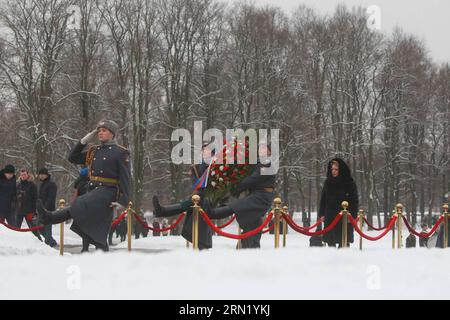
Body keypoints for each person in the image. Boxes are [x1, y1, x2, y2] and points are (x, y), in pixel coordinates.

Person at [37, 120, 131, 253]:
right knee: (99, 232)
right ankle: (104, 257)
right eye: (99, 130)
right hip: (93, 190)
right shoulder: (94, 151)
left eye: (104, 130)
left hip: (108, 191)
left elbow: (125, 178)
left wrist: (123, 200)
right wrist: (84, 141)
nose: (100, 133)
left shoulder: (121, 152)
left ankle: (50, 218)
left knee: (80, 203)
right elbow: (73, 157)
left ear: (112, 134)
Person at [202, 142, 277, 249]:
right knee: (252, 221)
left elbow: (252, 179)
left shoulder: (267, 163)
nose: (261, 150)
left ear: (270, 152)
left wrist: (236, 188)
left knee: (237, 206)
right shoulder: (258, 163)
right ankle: (251, 245)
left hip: (262, 197)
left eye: (265, 149)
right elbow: (247, 175)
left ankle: (213, 213)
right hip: (257, 195)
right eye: (260, 148)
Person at [152, 144, 215, 249]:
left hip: (210, 197)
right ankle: (161, 210)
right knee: (191, 202)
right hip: (199, 196)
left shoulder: (215, 164)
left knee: (190, 203)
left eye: (207, 150)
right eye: (203, 150)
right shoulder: (197, 166)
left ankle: (162, 211)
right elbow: (196, 183)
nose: (204, 152)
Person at [318, 158, 359, 248]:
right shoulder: (328, 182)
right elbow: (323, 199)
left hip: (344, 217)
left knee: (343, 242)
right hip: (330, 217)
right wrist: (321, 214)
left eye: (336, 169)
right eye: (332, 169)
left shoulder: (349, 182)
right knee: (330, 242)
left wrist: (352, 215)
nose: (333, 171)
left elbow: (354, 200)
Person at [15, 169, 42, 241]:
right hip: (19, 210)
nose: (23, 176)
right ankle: (15, 241)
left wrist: (33, 211)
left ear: (27, 175)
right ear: (20, 176)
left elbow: (35, 198)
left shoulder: (32, 185)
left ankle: (40, 241)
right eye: (21, 175)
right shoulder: (18, 184)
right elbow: (14, 197)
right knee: (16, 228)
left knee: (33, 228)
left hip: (29, 210)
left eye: (24, 175)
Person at [37, 168, 58, 247]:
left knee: (47, 228)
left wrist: (45, 209)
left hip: (48, 210)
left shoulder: (51, 184)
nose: (41, 176)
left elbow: (51, 198)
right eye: (40, 174)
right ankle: (52, 242)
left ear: (46, 175)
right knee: (40, 228)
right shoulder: (41, 184)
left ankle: (48, 245)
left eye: (43, 174)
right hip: (41, 210)